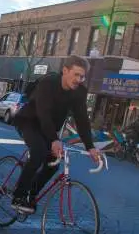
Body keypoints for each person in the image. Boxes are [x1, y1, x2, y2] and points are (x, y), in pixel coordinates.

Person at [12, 55, 101, 214]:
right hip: (30, 121)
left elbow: (82, 119)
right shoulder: (48, 83)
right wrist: (54, 139)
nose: (79, 79)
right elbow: (43, 113)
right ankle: (18, 196)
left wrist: (91, 147)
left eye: (82, 76)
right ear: (65, 71)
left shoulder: (79, 92)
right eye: (76, 74)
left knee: (54, 162)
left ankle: (31, 193)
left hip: (49, 128)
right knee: (38, 152)